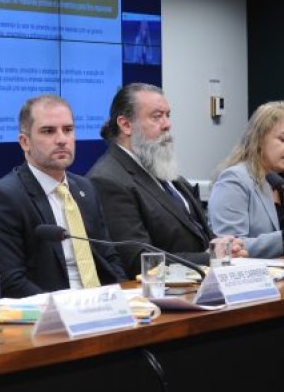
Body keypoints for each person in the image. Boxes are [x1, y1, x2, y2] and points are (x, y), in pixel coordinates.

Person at [0, 95, 126, 298]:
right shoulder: (2, 198)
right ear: (25, 142)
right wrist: (64, 309)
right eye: (48, 131)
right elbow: (9, 281)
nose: (61, 139)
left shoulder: (85, 189)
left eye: (68, 130)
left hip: (100, 304)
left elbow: (109, 258)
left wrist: (123, 299)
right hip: (48, 309)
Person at [88, 83, 237, 279]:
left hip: (200, 284)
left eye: (168, 115)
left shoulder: (165, 172)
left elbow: (198, 232)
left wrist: (225, 246)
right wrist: (209, 257)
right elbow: (137, 260)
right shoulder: (108, 180)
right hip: (156, 293)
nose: (167, 124)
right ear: (125, 125)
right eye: (157, 116)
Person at [208, 100, 284, 258]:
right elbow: (230, 247)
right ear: (259, 140)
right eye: (283, 139)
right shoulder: (234, 180)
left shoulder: (281, 183)